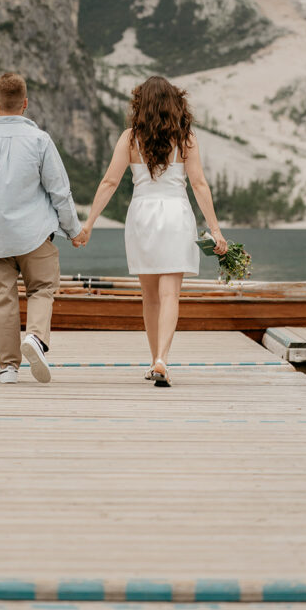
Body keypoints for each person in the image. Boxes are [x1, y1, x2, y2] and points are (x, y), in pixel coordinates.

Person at [77, 76, 228, 387]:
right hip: (176, 215)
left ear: (140, 105)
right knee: (171, 293)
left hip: (142, 216)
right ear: (174, 104)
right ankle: (162, 359)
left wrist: (89, 223)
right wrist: (215, 230)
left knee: (149, 297)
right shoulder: (186, 138)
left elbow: (109, 182)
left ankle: (154, 359)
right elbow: (199, 185)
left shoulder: (130, 139)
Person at [0, 72, 83, 384]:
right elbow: (59, 192)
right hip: (34, 235)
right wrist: (73, 229)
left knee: (1, 300)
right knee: (41, 289)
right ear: (25, 103)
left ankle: (7, 368)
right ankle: (35, 338)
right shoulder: (40, 141)